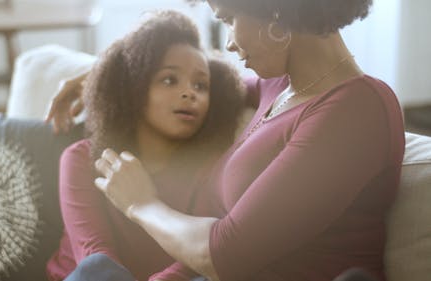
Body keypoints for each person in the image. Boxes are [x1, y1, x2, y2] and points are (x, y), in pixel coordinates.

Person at [48, 1, 405, 280]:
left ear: (273, 9)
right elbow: (206, 77)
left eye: (229, 18)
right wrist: (106, 74)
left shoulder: (354, 110)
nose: (230, 42)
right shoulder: (278, 88)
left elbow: (220, 256)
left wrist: (140, 204)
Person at [45, 10, 245, 281]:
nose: (190, 93)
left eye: (201, 85)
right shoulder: (81, 159)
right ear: (135, 88)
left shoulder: (212, 170)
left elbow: (195, 262)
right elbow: (93, 256)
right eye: (169, 80)